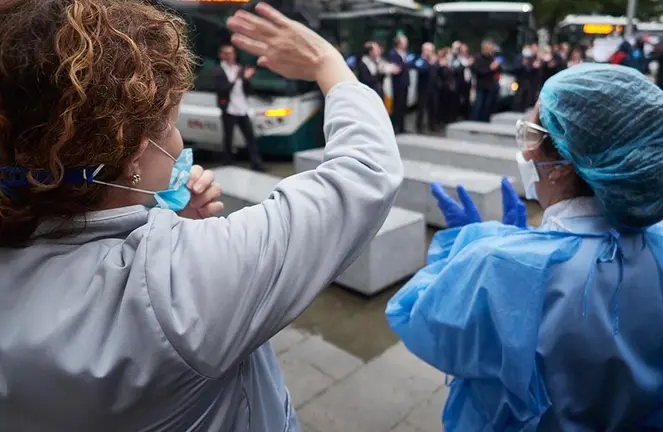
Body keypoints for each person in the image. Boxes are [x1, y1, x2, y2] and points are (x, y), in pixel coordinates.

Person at [0, 1, 403, 431]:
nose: (178, 141)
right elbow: (363, 175)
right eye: (171, 122)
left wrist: (167, 226)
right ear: (136, 151)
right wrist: (328, 63)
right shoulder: (177, 287)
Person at [386, 63, 663, 431]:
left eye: (531, 135)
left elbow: (418, 319)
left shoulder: (499, 265)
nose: (528, 152)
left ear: (563, 163)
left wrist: (464, 253)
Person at [213, 44, 266, 171]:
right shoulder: (218, 71)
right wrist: (235, 79)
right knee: (228, 138)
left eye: (231, 53)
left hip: (242, 108)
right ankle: (228, 163)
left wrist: (246, 79)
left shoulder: (239, 68)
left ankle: (256, 164)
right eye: (226, 53)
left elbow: (247, 89)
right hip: (229, 109)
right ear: (220, 55)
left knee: (250, 137)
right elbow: (222, 90)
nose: (229, 56)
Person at [471, 39, 500, 122]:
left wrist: (497, 66)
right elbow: (477, 71)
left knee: (487, 106)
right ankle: (475, 121)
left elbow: (497, 71)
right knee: (478, 105)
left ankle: (485, 121)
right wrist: (490, 68)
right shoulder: (478, 58)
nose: (490, 50)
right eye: (488, 48)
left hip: (490, 85)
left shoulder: (492, 58)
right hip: (481, 85)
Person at [413, 42, 438, 133]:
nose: (429, 53)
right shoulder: (420, 60)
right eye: (427, 50)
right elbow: (421, 69)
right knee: (421, 108)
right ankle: (419, 126)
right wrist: (429, 64)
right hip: (423, 88)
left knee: (433, 107)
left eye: (431, 51)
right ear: (423, 51)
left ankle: (432, 125)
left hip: (433, 87)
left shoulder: (433, 61)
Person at [388, 34, 411, 134]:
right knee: (397, 105)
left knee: (403, 105)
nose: (406, 44)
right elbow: (395, 68)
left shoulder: (406, 54)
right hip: (397, 83)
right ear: (399, 43)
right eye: (404, 42)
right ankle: (395, 126)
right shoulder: (393, 54)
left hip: (405, 82)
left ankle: (402, 127)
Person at [454, 43, 474, 120]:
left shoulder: (468, 58)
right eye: (463, 50)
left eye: (466, 50)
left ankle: (465, 116)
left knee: (467, 100)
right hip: (459, 83)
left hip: (467, 82)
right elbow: (456, 69)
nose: (465, 52)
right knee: (458, 100)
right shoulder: (457, 59)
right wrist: (466, 65)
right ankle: (456, 116)